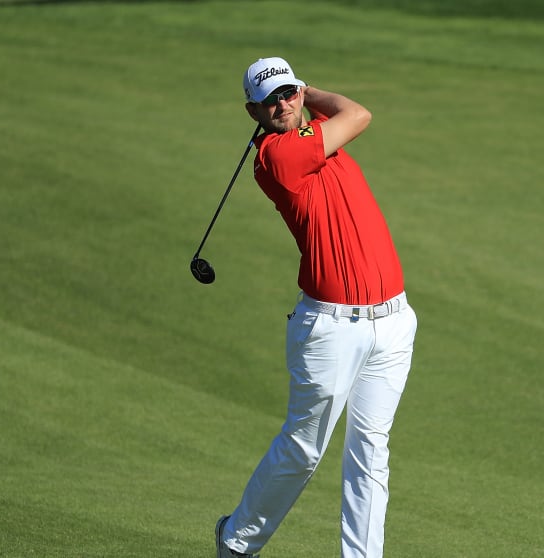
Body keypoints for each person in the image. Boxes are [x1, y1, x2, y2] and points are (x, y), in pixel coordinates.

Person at [215, 57, 418, 558]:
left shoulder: (313, 131)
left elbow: (344, 117)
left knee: (371, 453)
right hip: (331, 328)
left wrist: (304, 95)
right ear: (254, 112)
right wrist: (310, 91)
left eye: (288, 93)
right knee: (305, 450)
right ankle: (237, 542)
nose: (282, 104)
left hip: (392, 322)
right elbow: (359, 114)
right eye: (271, 100)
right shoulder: (278, 157)